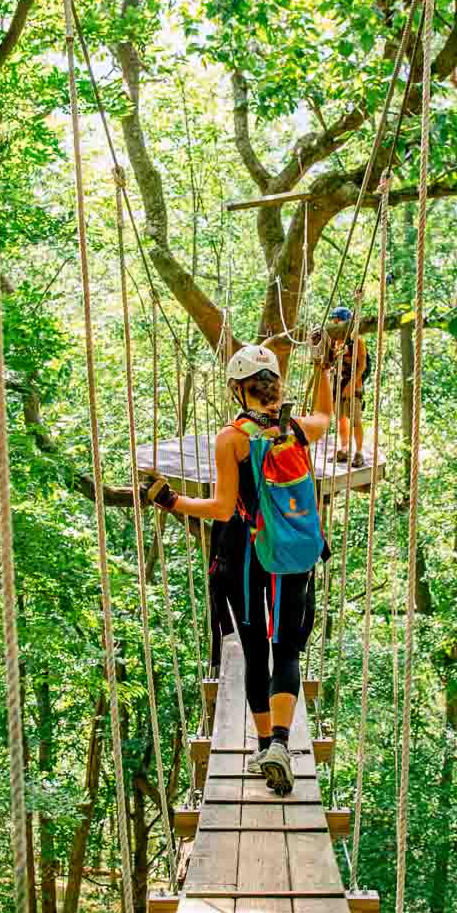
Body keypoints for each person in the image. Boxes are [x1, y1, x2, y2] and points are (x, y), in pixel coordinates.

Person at [142, 343, 334, 795]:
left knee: (255, 651)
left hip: (250, 557)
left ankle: (265, 743)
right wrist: (326, 368)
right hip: (296, 555)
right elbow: (328, 414)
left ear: (237, 390)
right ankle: (283, 745)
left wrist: (172, 501)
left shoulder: (232, 439)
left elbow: (223, 507)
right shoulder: (300, 429)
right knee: (287, 651)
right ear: (275, 386)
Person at [323, 306, 368, 467]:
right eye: (333, 320)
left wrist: (351, 384)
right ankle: (344, 449)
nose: (334, 323)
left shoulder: (356, 340)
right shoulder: (335, 342)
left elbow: (362, 365)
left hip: (353, 385)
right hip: (338, 384)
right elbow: (329, 362)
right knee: (341, 419)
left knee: (355, 420)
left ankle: (359, 452)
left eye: (337, 320)